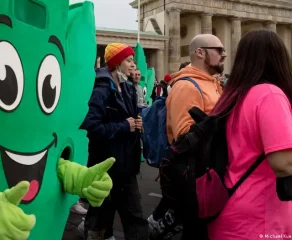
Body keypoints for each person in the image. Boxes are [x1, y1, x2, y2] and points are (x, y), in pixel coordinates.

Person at [208, 30, 292, 240]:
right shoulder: (270, 94)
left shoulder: (234, 95)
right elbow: (284, 163)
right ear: (278, 58)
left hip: (230, 210)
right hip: (260, 219)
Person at [147, 34, 227, 237]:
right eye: (219, 50)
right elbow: (183, 139)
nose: (224, 54)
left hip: (214, 174)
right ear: (200, 52)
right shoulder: (187, 86)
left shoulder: (212, 83)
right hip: (198, 177)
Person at [81, 43, 148, 240]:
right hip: (104, 167)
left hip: (126, 166)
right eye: (128, 60)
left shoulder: (127, 88)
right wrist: (124, 126)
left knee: (135, 216)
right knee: (101, 218)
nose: (133, 65)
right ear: (117, 63)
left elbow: (129, 119)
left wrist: (137, 124)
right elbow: (92, 128)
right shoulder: (100, 91)